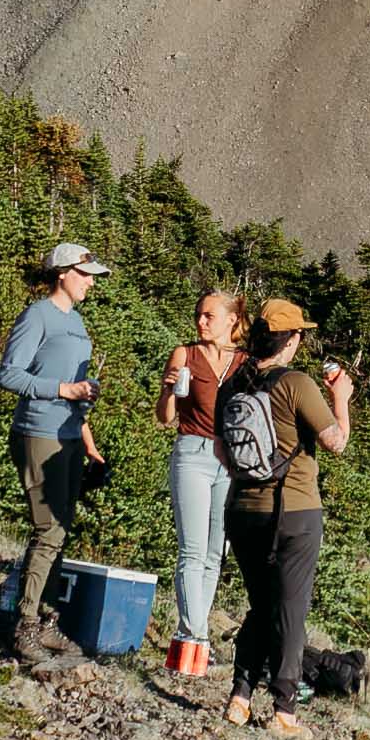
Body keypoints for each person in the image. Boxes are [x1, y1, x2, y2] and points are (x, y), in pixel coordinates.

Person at [222, 296, 351, 734]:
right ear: (291, 340)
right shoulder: (297, 384)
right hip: (294, 512)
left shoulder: (234, 383)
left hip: (242, 512)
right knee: (290, 612)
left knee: (260, 606)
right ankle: (284, 711)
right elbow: (335, 442)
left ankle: (239, 698)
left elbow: (224, 450)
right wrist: (342, 399)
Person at [0, 242, 105, 670]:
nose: (91, 282)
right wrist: (64, 390)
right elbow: (10, 374)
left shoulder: (76, 323)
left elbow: (74, 389)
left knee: (61, 529)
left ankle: (43, 619)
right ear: (62, 273)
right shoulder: (36, 315)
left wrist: (88, 440)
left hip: (68, 437)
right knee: (48, 531)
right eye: (85, 274)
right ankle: (25, 626)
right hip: (37, 433)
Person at [152, 288, 245, 682]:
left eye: (209, 316)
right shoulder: (184, 354)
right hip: (192, 451)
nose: (201, 321)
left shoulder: (245, 363)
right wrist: (168, 388)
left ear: (231, 321)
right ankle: (196, 636)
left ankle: (192, 640)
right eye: (199, 315)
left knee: (214, 554)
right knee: (191, 550)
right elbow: (164, 417)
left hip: (232, 461)